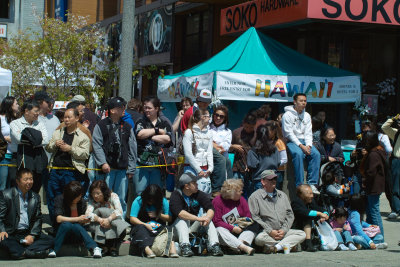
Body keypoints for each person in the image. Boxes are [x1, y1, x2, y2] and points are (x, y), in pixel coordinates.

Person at [92, 97, 137, 215]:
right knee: (104, 197)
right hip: (107, 169)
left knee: (121, 198)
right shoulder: (101, 125)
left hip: (122, 170)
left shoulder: (127, 126)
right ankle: (103, 220)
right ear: (112, 110)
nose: (124, 110)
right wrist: (103, 163)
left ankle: (120, 223)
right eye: (121, 107)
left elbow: (132, 148)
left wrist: (131, 168)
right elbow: (97, 145)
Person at [46, 108, 91, 224]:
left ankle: (70, 226)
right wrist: (55, 144)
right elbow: (48, 148)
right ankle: (55, 225)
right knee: (52, 198)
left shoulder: (83, 136)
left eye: (69, 117)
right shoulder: (58, 132)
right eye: (65, 117)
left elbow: (85, 154)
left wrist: (70, 149)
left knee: (70, 199)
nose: (66, 120)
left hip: (71, 172)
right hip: (55, 171)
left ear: (77, 118)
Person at [0, 168, 54, 259]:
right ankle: (30, 252)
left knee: (50, 240)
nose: (29, 182)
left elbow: (38, 218)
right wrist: (2, 230)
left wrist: (32, 235)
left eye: (31, 179)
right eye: (26, 179)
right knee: (3, 240)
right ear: (17, 181)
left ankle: (20, 252)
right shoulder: (6, 195)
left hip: (27, 232)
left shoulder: (35, 197)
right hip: (11, 232)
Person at [248, 170, 306, 254]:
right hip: (266, 233)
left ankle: (276, 248)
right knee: (258, 239)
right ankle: (287, 245)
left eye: (275, 179)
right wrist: (270, 231)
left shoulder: (283, 195)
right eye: (270, 179)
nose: (274, 181)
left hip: (283, 232)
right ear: (263, 181)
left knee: (302, 234)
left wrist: (284, 230)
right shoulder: (254, 197)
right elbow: (255, 217)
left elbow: (290, 215)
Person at [170, 173, 223, 257]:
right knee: (182, 220)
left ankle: (214, 246)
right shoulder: (176, 195)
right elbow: (180, 213)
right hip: (177, 230)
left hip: (192, 227)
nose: (197, 184)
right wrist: (198, 219)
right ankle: (185, 246)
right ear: (186, 186)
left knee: (206, 216)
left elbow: (210, 208)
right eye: (194, 183)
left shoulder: (199, 194)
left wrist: (207, 218)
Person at [49, 181, 102, 258]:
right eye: (78, 196)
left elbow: (81, 221)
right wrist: (77, 218)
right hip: (62, 233)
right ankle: (54, 250)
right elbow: (58, 219)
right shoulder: (60, 199)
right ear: (71, 196)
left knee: (76, 226)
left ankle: (95, 248)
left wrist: (84, 220)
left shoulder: (82, 202)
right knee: (66, 224)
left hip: (76, 234)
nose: (80, 197)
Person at [282, 93, 321, 194]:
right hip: (292, 141)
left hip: (305, 141)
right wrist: (301, 146)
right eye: (301, 101)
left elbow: (308, 132)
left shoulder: (307, 115)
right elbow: (288, 133)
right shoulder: (287, 115)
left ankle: (312, 183)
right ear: (295, 102)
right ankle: (300, 184)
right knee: (298, 154)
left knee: (316, 154)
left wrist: (308, 145)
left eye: (305, 101)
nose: (303, 103)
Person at [134, 96, 171, 197]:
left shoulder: (164, 123)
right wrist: (157, 131)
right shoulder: (141, 121)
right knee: (140, 194)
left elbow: (167, 138)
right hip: (141, 165)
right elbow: (140, 134)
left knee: (156, 194)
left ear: (157, 109)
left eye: (149, 108)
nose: (146, 110)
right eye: (145, 107)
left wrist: (150, 136)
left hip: (158, 166)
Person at [129, 184, 178, 258]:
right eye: (149, 199)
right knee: (141, 228)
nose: (151, 202)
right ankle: (147, 249)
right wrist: (145, 225)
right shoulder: (138, 200)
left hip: (158, 227)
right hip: (143, 226)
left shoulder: (163, 201)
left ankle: (172, 247)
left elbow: (169, 218)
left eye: (153, 200)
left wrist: (158, 215)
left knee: (168, 228)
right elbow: (132, 218)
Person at [10, 100, 48, 193]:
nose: (38, 113)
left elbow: (46, 140)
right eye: (35, 111)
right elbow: (19, 139)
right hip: (21, 157)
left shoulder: (40, 124)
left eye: (38, 111)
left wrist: (26, 135)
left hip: (38, 158)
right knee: (21, 188)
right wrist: (37, 137)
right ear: (27, 111)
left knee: (36, 186)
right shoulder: (15, 123)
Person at [212, 179, 257, 255]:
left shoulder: (241, 200)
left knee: (255, 225)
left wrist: (241, 226)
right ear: (231, 193)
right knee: (219, 230)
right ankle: (244, 247)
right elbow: (217, 221)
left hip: (241, 231)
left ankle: (237, 245)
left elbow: (248, 217)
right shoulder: (217, 201)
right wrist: (232, 228)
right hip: (227, 232)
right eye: (239, 191)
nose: (242, 192)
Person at [86, 180, 129, 257]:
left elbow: (119, 211)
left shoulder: (113, 196)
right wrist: (100, 220)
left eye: (98, 193)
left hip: (111, 223)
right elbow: (88, 214)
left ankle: (113, 247)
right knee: (93, 227)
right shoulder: (92, 201)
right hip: (100, 225)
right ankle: (103, 247)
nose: (95, 196)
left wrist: (108, 219)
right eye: (93, 193)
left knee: (121, 228)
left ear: (104, 192)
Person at [359, 131, 386, 239]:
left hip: (373, 186)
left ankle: (380, 238)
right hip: (375, 186)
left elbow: (371, 172)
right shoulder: (378, 151)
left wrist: (365, 180)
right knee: (370, 212)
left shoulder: (374, 154)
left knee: (374, 212)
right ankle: (372, 235)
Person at [182, 108, 213, 194]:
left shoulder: (209, 133)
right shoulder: (189, 132)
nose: (210, 118)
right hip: (191, 168)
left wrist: (210, 169)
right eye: (208, 116)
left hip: (205, 170)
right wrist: (199, 170)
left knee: (206, 194)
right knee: (192, 195)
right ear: (203, 117)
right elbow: (188, 154)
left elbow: (209, 152)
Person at [291, 184, 329, 252]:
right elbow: (305, 212)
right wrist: (319, 213)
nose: (312, 196)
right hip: (295, 227)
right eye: (309, 193)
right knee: (307, 217)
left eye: (312, 193)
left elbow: (320, 209)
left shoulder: (310, 201)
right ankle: (308, 244)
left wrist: (325, 214)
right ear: (301, 195)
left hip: (307, 228)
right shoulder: (296, 202)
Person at [246, 125, 280, 195]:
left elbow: (252, 165)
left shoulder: (253, 150)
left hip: (259, 181)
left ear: (257, 134)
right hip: (273, 180)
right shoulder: (275, 149)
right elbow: (278, 162)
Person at [230, 112, 257, 197]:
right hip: (237, 167)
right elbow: (228, 148)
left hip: (251, 169)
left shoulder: (257, 134)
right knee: (236, 192)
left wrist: (251, 164)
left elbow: (259, 152)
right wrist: (233, 146)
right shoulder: (236, 132)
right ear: (243, 123)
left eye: (251, 127)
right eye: (246, 127)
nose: (248, 129)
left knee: (250, 193)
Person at [210, 105, 233, 193]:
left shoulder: (228, 132)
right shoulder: (208, 128)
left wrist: (213, 144)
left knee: (223, 189)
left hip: (222, 164)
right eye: (216, 115)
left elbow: (225, 147)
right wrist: (213, 144)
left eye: (221, 116)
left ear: (225, 118)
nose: (218, 118)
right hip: (209, 162)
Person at [382, 115, 400, 219]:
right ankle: (396, 209)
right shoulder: (396, 133)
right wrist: (394, 118)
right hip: (396, 161)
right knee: (395, 187)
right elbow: (384, 127)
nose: (398, 123)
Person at [0, 96, 19, 190]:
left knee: (12, 184)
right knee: (3, 184)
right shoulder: (1, 119)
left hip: (15, 156)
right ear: (10, 105)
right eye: (16, 103)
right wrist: (5, 139)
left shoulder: (16, 120)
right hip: (4, 156)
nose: (18, 105)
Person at [264, 121, 287, 190]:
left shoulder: (279, 142)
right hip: (266, 171)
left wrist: (274, 164)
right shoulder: (264, 142)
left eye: (269, 131)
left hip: (277, 172)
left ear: (274, 131)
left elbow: (285, 159)